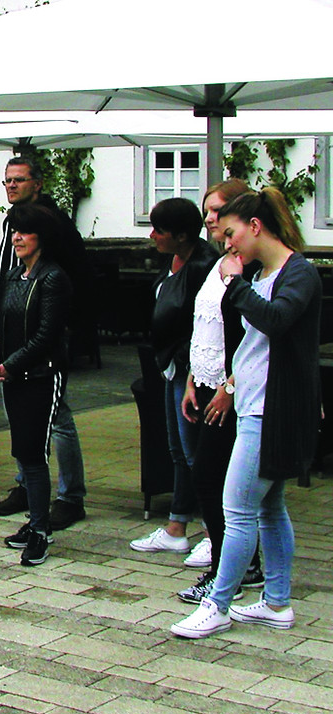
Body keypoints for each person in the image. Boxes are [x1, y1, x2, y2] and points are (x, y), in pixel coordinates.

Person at [171, 187, 321, 639]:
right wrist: (231, 384)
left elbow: (276, 321)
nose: (227, 243)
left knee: (236, 509)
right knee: (269, 507)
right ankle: (276, 603)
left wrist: (234, 284)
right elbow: (254, 346)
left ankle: (219, 604)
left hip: (272, 412)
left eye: (231, 234)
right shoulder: (263, 275)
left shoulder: (298, 274)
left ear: (256, 227)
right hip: (254, 403)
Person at [175, 179, 264, 602]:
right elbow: (204, 325)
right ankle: (234, 562)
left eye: (218, 212)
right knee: (209, 476)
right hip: (207, 382)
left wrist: (227, 386)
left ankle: (234, 566)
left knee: (213, 478)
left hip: (233, 390)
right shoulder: (219, 261)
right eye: (208, 212)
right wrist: (194, 377)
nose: (209, 220)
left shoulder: (247, 266)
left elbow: (245, 335)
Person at [0, 157, 89, 530]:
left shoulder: (52, 225)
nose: (12, 186)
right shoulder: (13, 223)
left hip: (46, 340)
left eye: (19, 180)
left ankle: (69, 495)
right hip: (14, 327)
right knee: (19, 416)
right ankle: (28, 485)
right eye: (7, 181)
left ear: (38, 183)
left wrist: (65, 330)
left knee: (57, 417)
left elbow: (73, 278)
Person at [129, 198, 217, 553]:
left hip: (188, 367)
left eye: (159, 231)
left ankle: (214, 532)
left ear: (181, 235)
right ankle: (177, 526)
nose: (152, 236)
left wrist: (183, 362)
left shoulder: (203, 267)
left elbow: (205, 324)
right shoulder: (173, 261)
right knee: (177, 450)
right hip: (168, 364)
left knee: (195, 451)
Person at [0, 203, 73, 566]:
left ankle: (41, 530)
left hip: (40, 376)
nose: (17, 238)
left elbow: (46, 335)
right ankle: (35, 521)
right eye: (14, 232)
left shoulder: (53, 278)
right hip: (12, 375)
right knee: (22, 451)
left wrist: (11, 363)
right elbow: (2, 325)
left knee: (34, 454)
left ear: (43, 237)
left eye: (24, 232)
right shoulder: (12, 275)